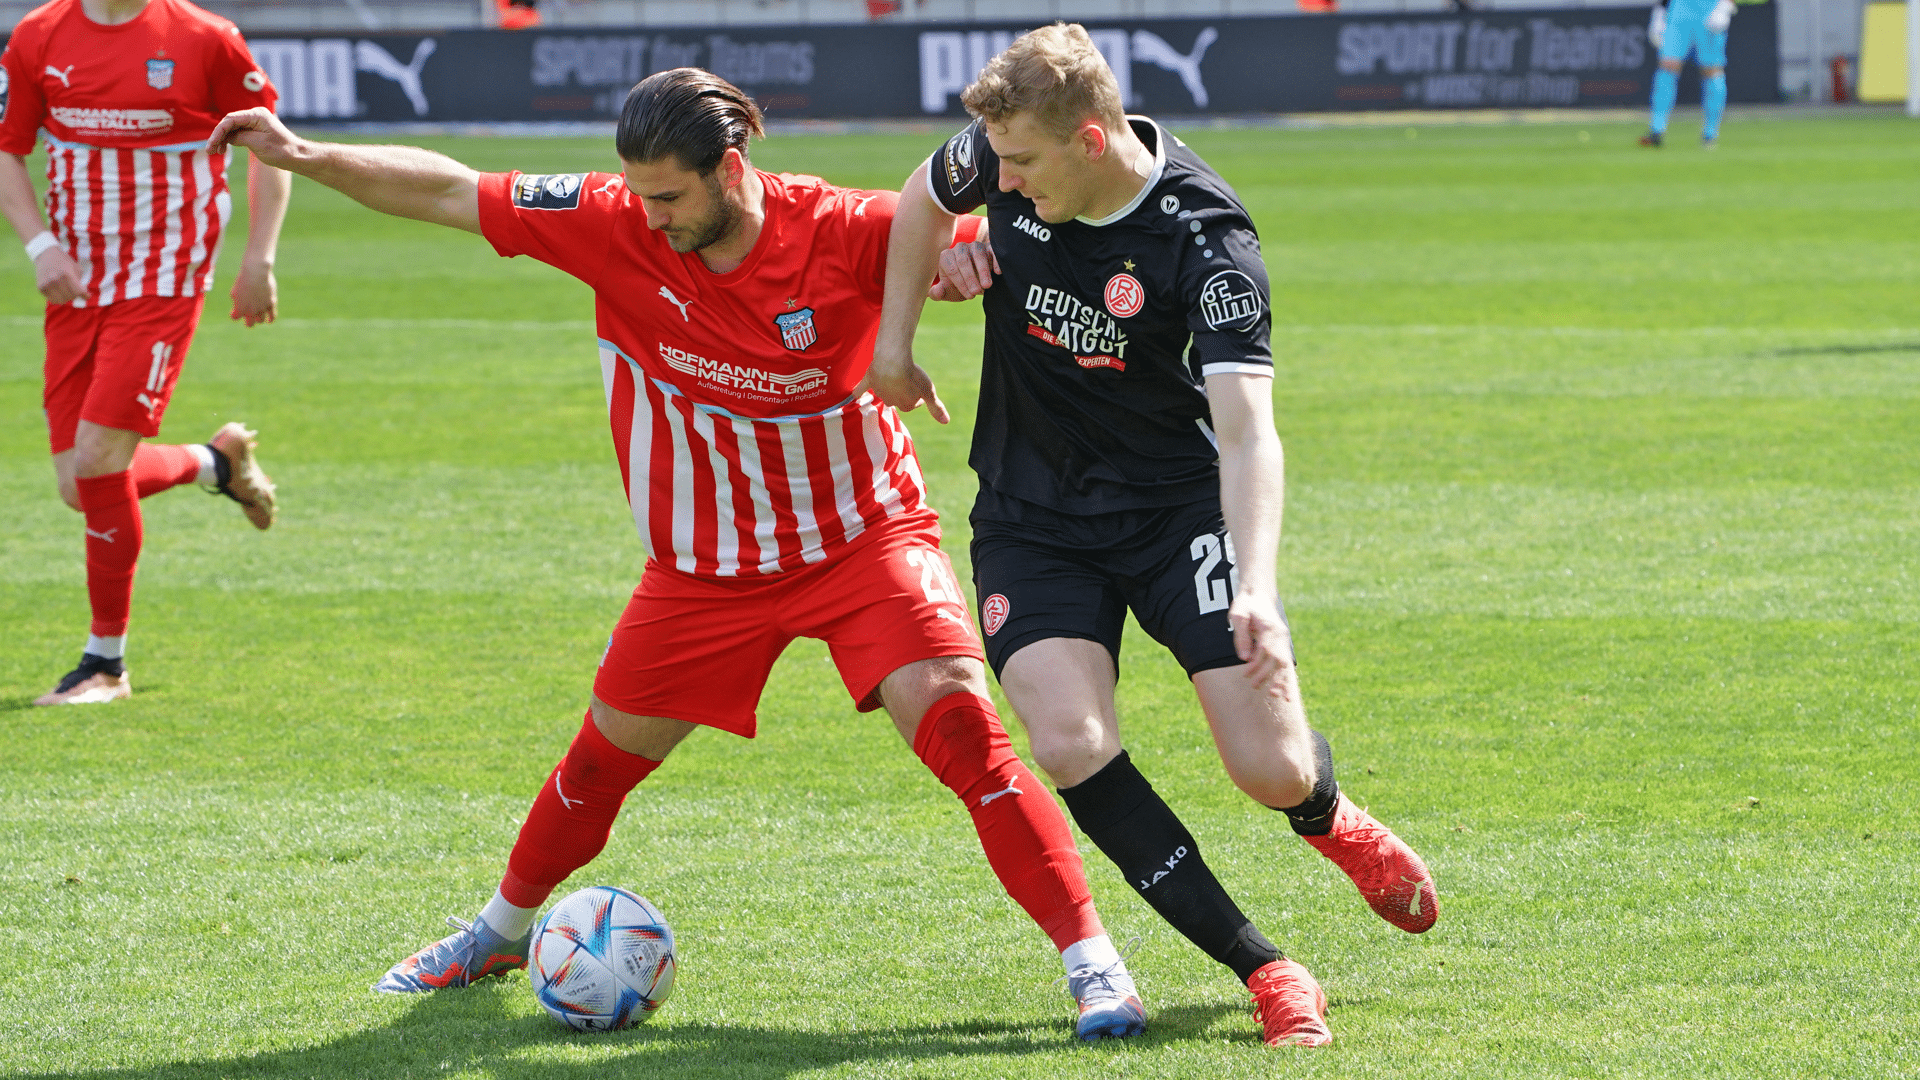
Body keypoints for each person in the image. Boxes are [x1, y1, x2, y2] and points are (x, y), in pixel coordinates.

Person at [207, 68, 1150, 1041]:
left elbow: (1005, 231)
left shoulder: (841, 228)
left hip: (861, 541)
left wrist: (969, 257)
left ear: (729, 169)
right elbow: (450, 188)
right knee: (599, 765)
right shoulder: (610, 216)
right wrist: (304, 155)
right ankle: (496, 931)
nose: (648, 216)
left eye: (668, 196)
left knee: (965, 736)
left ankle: (1095, 968)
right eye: (638, 193)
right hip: (702, 574)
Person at [869, 23, 1440, 1048]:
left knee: (1265, 766)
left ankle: (1325, 816)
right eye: (996, 163)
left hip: (1175, 515)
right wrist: (896, 347)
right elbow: (920, 197)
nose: (1000, 182)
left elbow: (1248, 431)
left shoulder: (1207, 243)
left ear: (1091, 140)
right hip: (1032, 515)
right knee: (1070, 739)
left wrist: (1256, 588)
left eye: (1024, 164)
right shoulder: (1007, 164)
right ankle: (1266, 969)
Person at [1, 0, 288, 707]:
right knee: (80, 485)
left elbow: (271, 146)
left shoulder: (205, 39)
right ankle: (215, 462)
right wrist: (39, 245)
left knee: (100, 462)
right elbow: (8, 147)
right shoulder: (39, 35)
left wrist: (260, 258)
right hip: (73, 280)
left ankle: (105, 664)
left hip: (163, 275)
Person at [1641, 0, 1739, 147]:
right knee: (1668, 65)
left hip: (1710, 8)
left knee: (1712, 70)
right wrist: (1660, 12)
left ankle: (1710, 134)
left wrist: (1725, 5)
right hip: (1679, 9)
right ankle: (1656, 129)